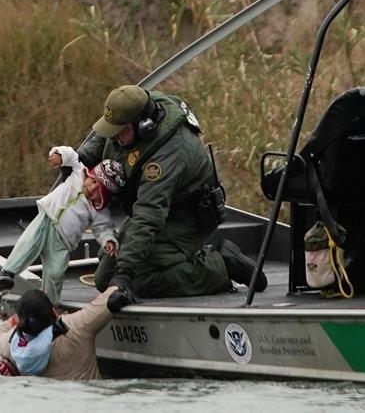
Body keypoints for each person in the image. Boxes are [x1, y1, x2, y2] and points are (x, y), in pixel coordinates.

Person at [78, 85, 266, 309]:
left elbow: (148, 216)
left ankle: (221, 266)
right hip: (160, 208)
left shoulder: (166, 155)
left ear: (143, 125)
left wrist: (124, 277)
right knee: (104, 276)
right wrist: (81, 158)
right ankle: (183, 259)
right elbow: (105, 135)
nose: (115, 138)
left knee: (137, 280)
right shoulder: (139, 110)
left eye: (120, 132)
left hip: (186, 218)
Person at [0, 148, 124, 305]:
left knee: (56, 272)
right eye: (93, 181)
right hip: (46, 221)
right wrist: (60, 155)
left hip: (62, 242)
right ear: (90, 175)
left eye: (98, 190)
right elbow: (72, 156)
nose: (92, 188)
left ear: (104, 198)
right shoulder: (77, 174)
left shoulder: (98, 210)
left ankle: (49, 303)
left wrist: (108, 240)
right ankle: (8, 273)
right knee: (28, 244)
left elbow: (103, 228)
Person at [0, 287, 119, 380]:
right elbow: (113, 297)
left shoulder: (13, 346)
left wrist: (17, 319)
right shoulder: (75, 326)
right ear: (54, 312)